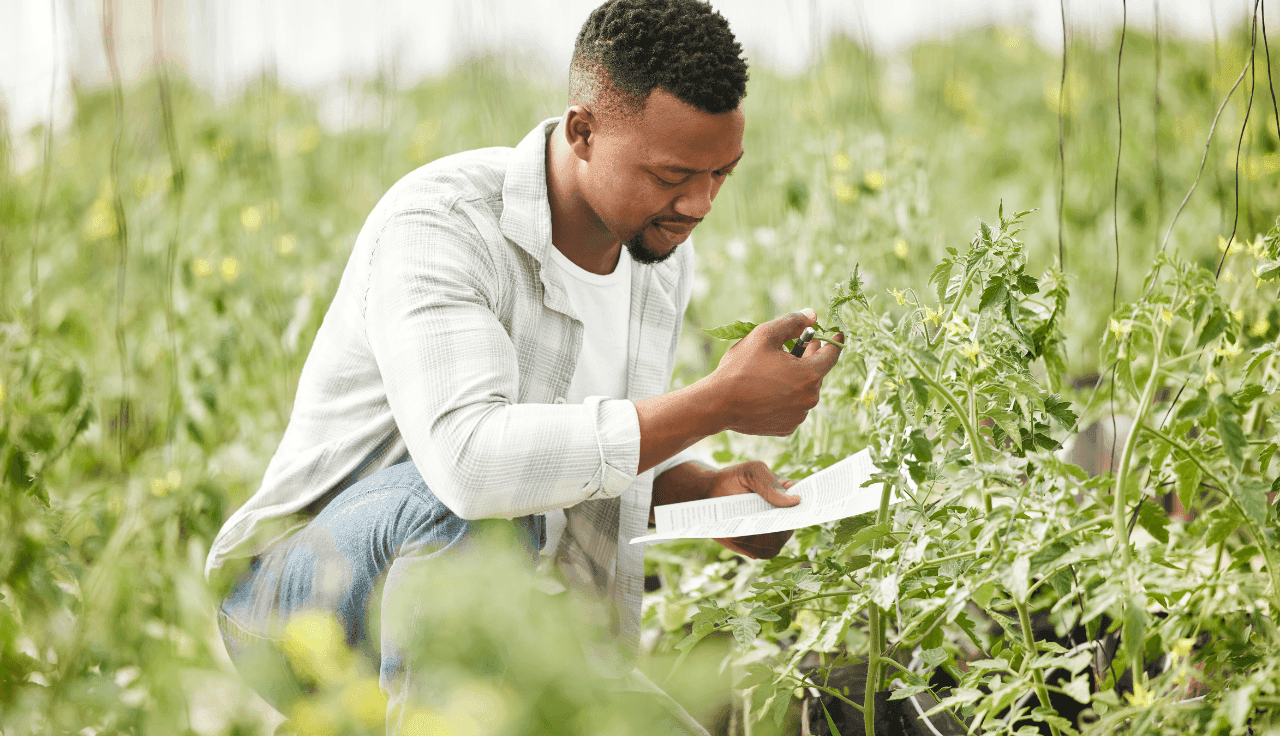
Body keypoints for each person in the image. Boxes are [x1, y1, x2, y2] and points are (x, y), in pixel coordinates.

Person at [205, 0, 844, 732]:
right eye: (673, 174)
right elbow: (471, 469)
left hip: (511, 615)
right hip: (297, 603)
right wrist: (718, 402)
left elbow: (577, 457)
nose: (699, 203)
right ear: (582, 132)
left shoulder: (658, 254)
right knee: (463, 515)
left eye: (721, 174)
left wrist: (702, 495)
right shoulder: (442, 223)